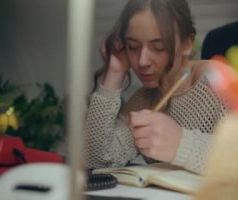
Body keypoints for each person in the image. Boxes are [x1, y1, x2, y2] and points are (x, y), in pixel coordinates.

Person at [84, 0, 229, 174]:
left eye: (158, 47)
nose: (142, 61)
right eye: (133, 47)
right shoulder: (143, 100)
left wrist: (180, 143)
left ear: (187, 44)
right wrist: (115, 71)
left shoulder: (218, 80)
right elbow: (96, 159)